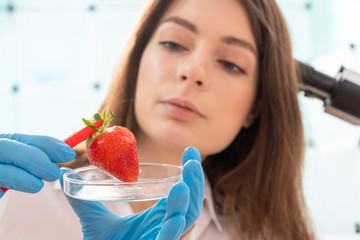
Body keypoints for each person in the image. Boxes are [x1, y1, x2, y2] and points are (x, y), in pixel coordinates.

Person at [0, 0, 315, 239]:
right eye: (173, 43)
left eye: (231, 64)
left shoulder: (263, 233)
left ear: (255, 108)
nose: (192, 71)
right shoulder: (22, 195)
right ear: (138, 59)